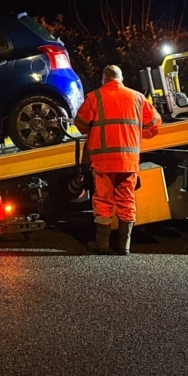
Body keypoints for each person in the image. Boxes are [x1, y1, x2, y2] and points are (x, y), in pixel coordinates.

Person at [74, 64, 161, 255]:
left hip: (103, 160)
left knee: (103, 201)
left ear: (104, 79)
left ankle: (102, 245)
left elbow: (80, 124)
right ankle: (124, 246)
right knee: (126, 200)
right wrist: (138, 133)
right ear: (121, 79)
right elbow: (155, 124)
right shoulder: (137, 97)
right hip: (129, 159)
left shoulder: (94, 97)